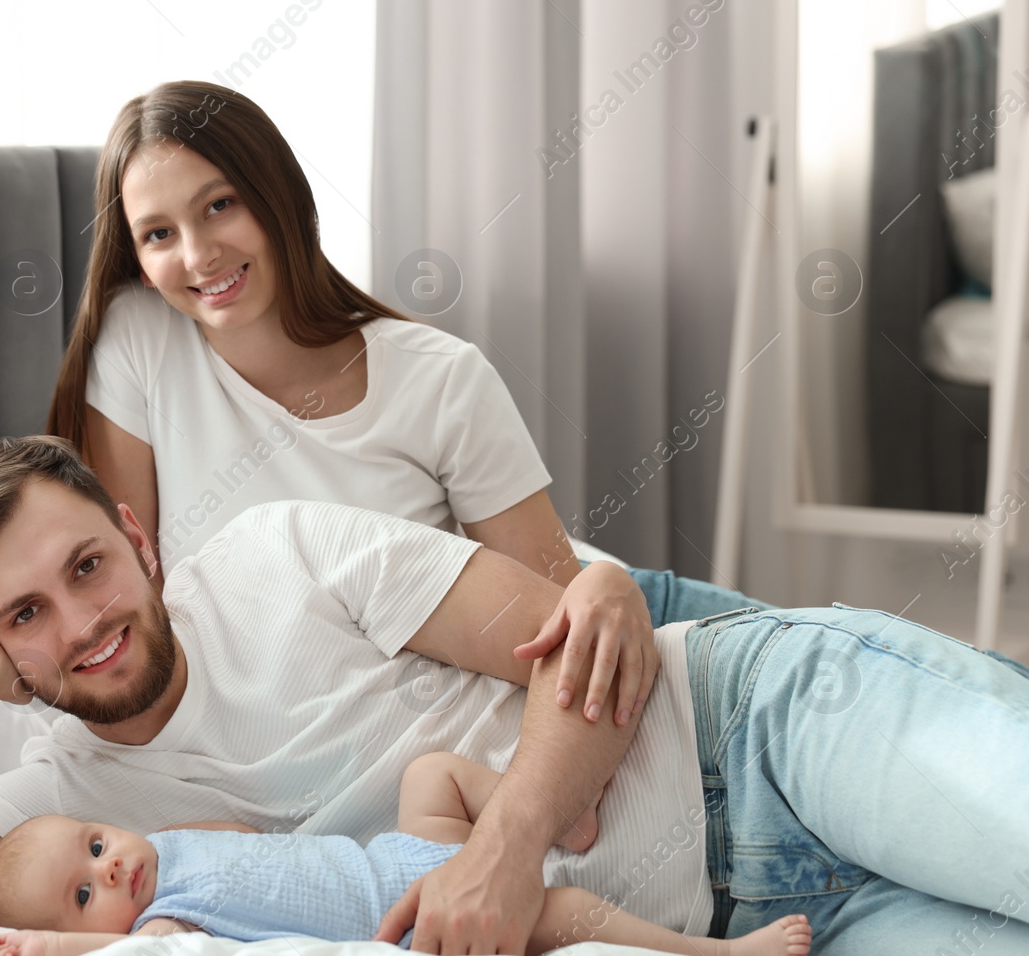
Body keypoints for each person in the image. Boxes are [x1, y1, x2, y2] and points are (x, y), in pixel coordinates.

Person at [0, 436, 1029, 956]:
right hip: (757, 921)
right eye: (23, 614)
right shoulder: (74, 820)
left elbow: (591, 641)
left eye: (87, 566)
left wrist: (509, 841)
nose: (81, 622)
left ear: (137, 540)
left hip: (760, 727)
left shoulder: (279, 552)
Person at [45, 79, 773, 730]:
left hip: (610, 605)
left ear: (279, 196)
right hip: (381, 713)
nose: (199, 254)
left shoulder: (439, 377)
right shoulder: (138, 337)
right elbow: (129, 589)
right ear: (134, 256)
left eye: (220, 204)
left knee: (836, 664)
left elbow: (558, 618)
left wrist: (604, 588)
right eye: (159, 234)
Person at [0, 752, 812, 956]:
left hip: (397, 853)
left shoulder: (170, 839)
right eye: (84, 895)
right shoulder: (168, 924)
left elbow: (253, 839)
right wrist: (47, 952)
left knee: (429, 773)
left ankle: (567, 808)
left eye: (96, 842)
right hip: (408, 920)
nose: (112, 867)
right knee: (551, 913)